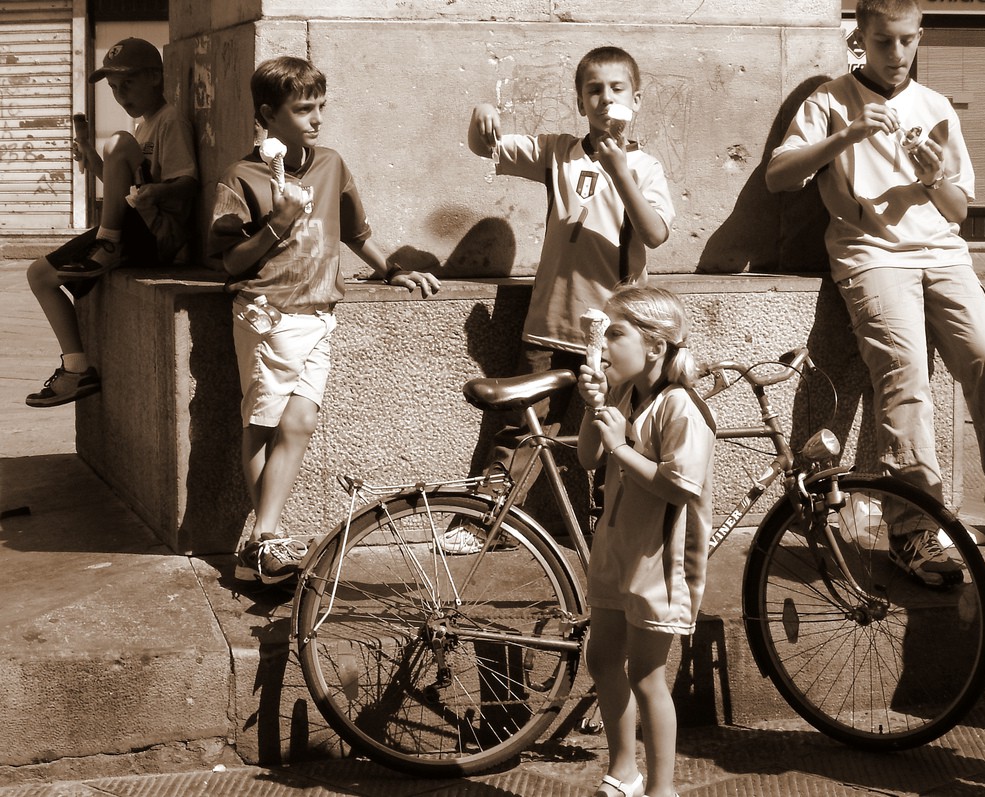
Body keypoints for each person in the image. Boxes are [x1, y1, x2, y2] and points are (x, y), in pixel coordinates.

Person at [766, 0, 985, 587]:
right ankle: (913, 532)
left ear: (920, 36)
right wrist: (846, 136)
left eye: (908, 41)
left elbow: (958, 211)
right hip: (871, 257)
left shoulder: (934, 106)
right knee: (904, 373)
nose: (898, 55)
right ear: (861, 40)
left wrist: (933, 178)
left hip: (941, 254)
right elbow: (779, 176)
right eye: (885, 42)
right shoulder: (829, 101)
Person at [207, 56, 441, 586]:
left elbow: (355, 234)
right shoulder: (241, 176)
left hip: (320, 312)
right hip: (268, 313)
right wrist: (277, 224)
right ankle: (266, 541)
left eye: (320, 108)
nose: (316, 119)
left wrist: (394, 270)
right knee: (264, 424)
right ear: (268, 114)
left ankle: (261, 543)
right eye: (303, 109)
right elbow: (230, 261)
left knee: (301, 421)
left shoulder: (331, 163)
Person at [447, 46, 676, 554]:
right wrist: (482, 118)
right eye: (593, 89)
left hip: (619, 336)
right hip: (550, 322)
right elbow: (485, 147)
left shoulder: (645, 166)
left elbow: (656, 233)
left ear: (636, 100)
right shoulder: (558, 152)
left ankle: (612, 525)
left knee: (616, 429)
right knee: (521, 429)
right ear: (579, 101)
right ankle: (485, 520)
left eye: (616, 89)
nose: (604, 98)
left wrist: (620, 171)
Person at [577, 285, 714, 797]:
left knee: (647, 675)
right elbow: (588, 459)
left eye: (616, 334)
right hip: (617, 547)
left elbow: (680, 485)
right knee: (602, 659)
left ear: (655, 346)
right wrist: (592, 408)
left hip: (661, 559)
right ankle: (623, 772)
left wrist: (621, 446)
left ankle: (661, 789)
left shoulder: (680, 407)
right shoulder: (621, 394)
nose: (604, 345)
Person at [25, 37, 199, 407]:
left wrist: (154, 194)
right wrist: (93, 159)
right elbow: (130, 191)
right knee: (40, 275)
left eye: (128, 84)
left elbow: (188, 182)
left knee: (117, 141)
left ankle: (77, 370)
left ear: (155, 76)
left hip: (157, 233)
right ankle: (75, 367)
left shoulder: (170, 121)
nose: (120, 95)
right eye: (114, 88)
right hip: (136, 225)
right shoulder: (143, 127)